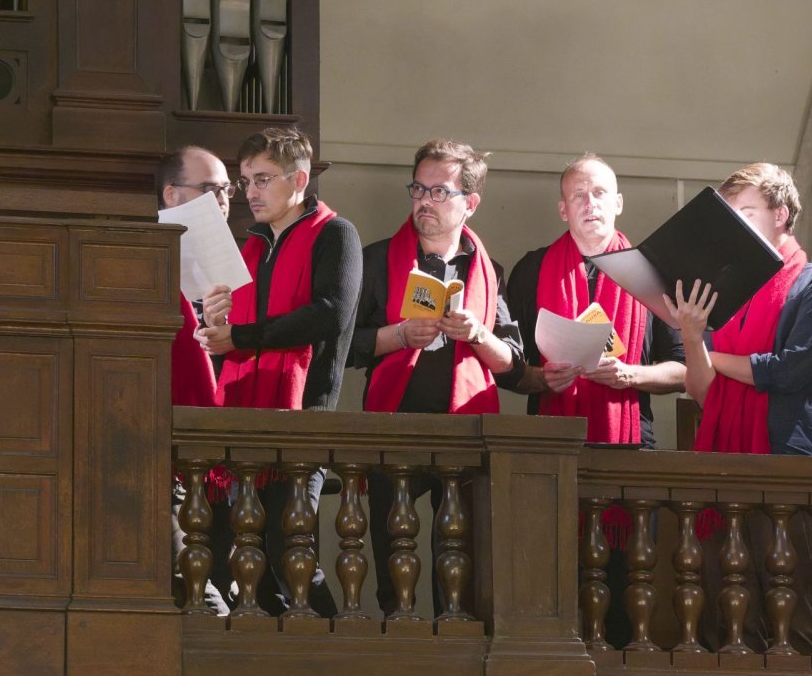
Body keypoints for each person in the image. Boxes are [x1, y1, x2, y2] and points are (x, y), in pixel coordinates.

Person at [666, 162, 812, 653]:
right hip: (725, 464)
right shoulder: (726, 296)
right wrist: (689, 334)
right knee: (725, 607)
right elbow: (705, 392)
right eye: (730, 217)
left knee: (795, 612)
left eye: (746, 213)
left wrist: (712, 353)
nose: (736, 228)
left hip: (785, 465)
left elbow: (786, 372)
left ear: (782, 216)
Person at [351, 138, 524, 615]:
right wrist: (399, 336)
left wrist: (477, 334)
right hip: (394, 425)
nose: (424, 201)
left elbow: (513, 365)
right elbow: (341, 347)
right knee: (392, 553)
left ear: (470, 203)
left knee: (460, 555)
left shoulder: (490, 272)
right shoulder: (375, 260)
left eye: (439, 192)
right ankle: (398, 639)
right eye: (418, 189)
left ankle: (456, 637)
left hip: (464, 431)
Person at [197, 127, 363, 618]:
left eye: (263, 179)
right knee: (243, 549)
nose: (250, 192)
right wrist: (217, 324)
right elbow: (236, 336)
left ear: (300, 180)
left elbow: (329, 313)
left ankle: (339, 646)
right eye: (245, 180)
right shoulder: (248, 247)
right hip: (245, 418)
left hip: (302, 417)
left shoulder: (336, 233)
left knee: (289, 550)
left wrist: (242, 338)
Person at [507, 153, 685, 447]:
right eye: (579, 195)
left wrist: (630, 375)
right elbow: (509, 365)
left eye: (599, 193)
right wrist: (541, 378)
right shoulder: (531, 270)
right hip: (551, 442)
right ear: (563, 210)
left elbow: (684, 370)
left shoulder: (652, 272)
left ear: (618, 203)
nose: (590, 203)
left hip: (631, 441)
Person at [157, 146, 237, 615]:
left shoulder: (233, 260)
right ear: (172, 194)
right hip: (168, 443)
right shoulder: (143, 257)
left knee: (220, 578)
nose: (224, 199)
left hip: (219, 446)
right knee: (193, 582)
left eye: (227, 190)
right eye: (210, 189)